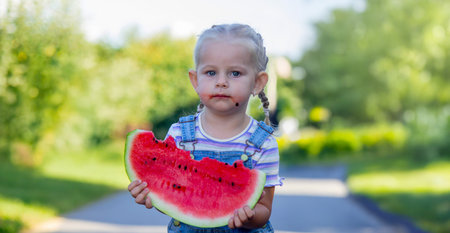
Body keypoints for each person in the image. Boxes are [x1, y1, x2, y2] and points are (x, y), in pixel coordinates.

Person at [128, 23, 283, 233]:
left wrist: (250, 216)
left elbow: (265, 209)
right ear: (195, 80)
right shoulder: (179, 135)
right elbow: (179, 202)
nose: (221, 82)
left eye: (235, 73)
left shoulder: (264, 143)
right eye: (210, 73)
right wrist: (152, 193)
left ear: (258, 83)